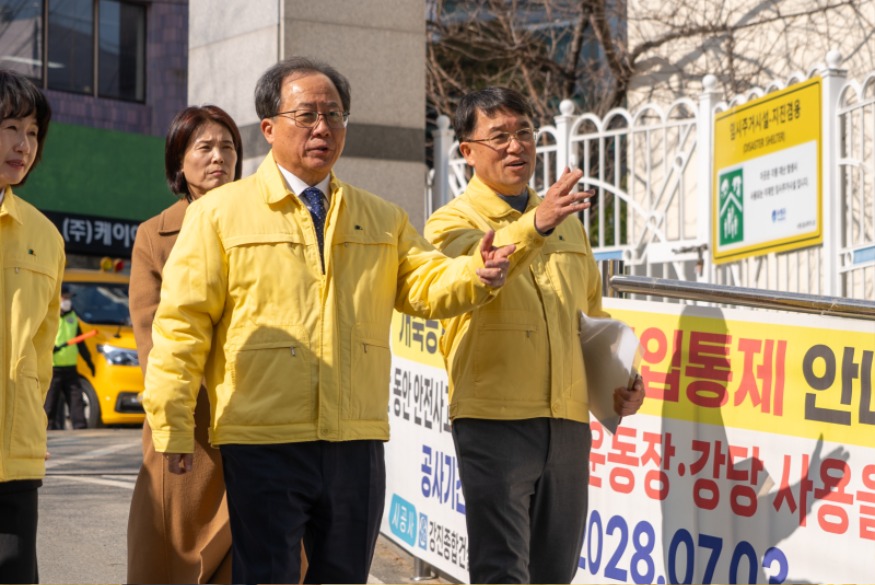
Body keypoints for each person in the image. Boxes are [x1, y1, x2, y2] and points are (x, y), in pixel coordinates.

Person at [142, 56, 561, 585]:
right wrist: (172, 426)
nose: (323, 128)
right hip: (262, 437)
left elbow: (428, 286)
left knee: (344, 576)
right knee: (265, 574)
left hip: (355, 440)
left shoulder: (381, 216)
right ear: (269, 127)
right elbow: (181, 327)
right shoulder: (220, 213)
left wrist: (479, 273)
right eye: (307, 114)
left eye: (335, 115)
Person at [424, 86, 646, 584]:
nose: (516, 146)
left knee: (554, 572)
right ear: (467, 151)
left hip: (567, 423)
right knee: (503, 569)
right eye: (498, 136)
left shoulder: (568, 225)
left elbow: (592, 320)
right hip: (494, 420)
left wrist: (622, 381)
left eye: (524, 132)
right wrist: (536, 224)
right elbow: (470, 272)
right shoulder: (450, 222)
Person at [126, 105, 243, 584]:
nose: (219, 158)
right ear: (179, 163)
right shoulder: (155, 235)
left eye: (229, 147)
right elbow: (152, 337)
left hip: (257, 414)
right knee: (172, 554)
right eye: (205, 147)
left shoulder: (261, 224)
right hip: (188, 420)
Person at [0, 69, 66, 583]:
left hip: (15, 453)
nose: (24, 145)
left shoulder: (45, 236)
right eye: (11, 128)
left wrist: (35, 418)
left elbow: (43, 348)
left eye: (33, 133)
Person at [46, 285, 96, 430]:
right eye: (64, 298)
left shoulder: (73, 317)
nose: (67, 301)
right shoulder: (50, 315)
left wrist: (89, 361)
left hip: (70, 367)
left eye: (69, 298)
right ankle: (48, 430)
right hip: (53, 367)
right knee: (50, 402)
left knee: (76, 400)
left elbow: (81, 343)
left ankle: (80, 427)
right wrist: (50, 348)